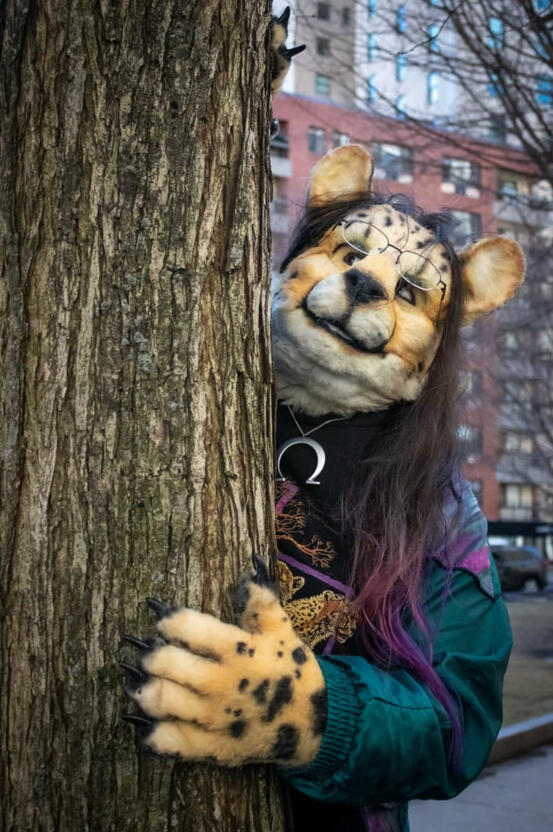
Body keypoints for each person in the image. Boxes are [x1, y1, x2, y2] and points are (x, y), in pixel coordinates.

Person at [121, 141, 525, 831]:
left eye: (411, 292)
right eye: (347, 254)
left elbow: (459, 721)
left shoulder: (440, 511)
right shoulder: (176, 391)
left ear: (439, 347)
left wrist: (308, 713)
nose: (366, 282)